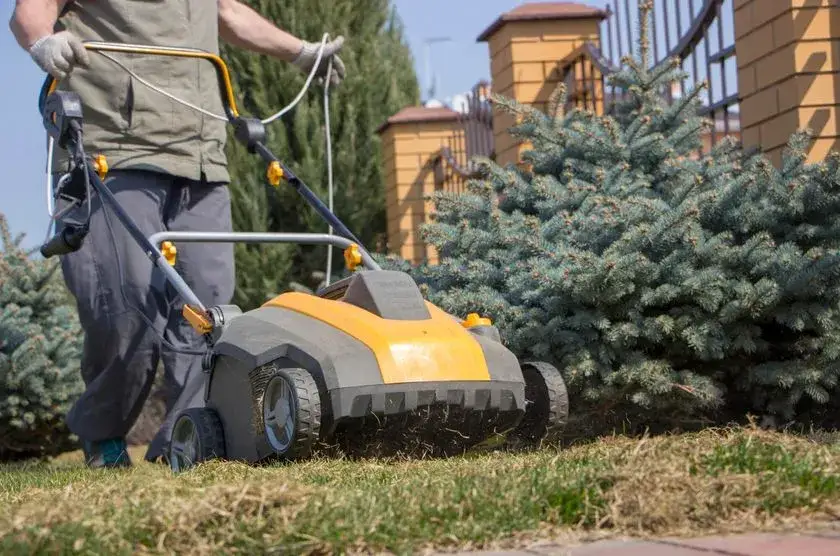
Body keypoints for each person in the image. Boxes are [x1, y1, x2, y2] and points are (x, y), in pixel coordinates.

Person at [9, 0, 346, 468]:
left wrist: (303, 53)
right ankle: (103, 435)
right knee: (123, 305)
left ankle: (186, 443)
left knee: (210, 309)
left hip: (200, 153)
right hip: (113, 148)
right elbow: (30, 13)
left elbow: (226, 10)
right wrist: (44, 41)